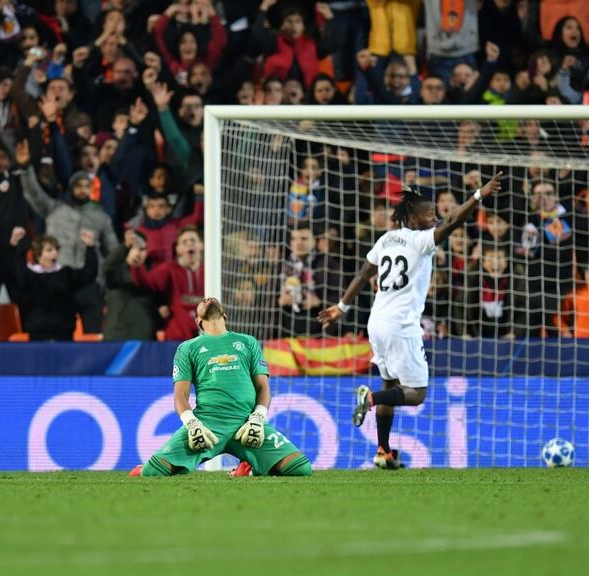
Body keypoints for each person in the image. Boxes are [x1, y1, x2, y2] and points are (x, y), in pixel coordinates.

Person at [318, 174, 503, 469]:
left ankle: (383, 450)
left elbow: (364, 274)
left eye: (435, 214)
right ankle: (370, 399)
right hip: (401, 325)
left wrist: (342, 306)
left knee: (391, 381)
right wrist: (479, 195)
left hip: (376, 322)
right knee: (416, 394)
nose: (434, 218)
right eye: (430, 214)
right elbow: (454, 221)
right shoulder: (420, 241)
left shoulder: (386, 239)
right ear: (414, 217)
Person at [131, 297, 312, 478]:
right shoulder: (187, 348)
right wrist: (192, 424)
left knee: (300, 468)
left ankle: (248, 468)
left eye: (211, 299)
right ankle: (148, 465)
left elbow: (263, 388)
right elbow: (180, 396)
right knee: (152, 472)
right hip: (207, 426)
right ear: (198, 321)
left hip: (247, 425)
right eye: (202, 301)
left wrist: (258, 418)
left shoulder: (248, 342)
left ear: (224, 315)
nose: (207, 299)